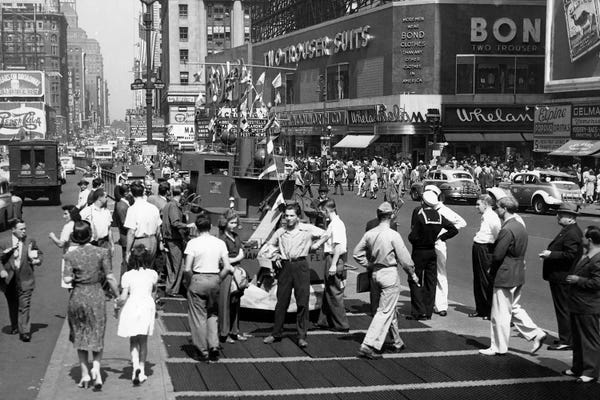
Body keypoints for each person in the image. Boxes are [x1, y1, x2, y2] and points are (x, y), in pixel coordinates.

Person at [479, 196, 547, 356]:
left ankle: (498, 346)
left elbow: (497, 255)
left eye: (498, 208)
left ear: (504, 208)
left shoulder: (507, 229)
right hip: (518, 271)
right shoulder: (520, 226)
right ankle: (536, 333)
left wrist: (490, 269)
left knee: (499, 313)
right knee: (514, 307)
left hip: (505, 273)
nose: (497, 211)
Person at [353, 202, 418, 359]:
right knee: (385, 311)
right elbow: (405, 260)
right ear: (391, 216)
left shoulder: (370, 233)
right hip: (389, 273)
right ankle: (368, 345)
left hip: (375, 273)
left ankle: (397, 341)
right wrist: (413, 274)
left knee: (389, 309)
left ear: (378, 214)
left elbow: (356, 253)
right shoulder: (393, 235)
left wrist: (368, 265)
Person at [63, 221, 120, 389]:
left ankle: (85, 374)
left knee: (80, 334)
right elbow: (110, 276)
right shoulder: (102, 252)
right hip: (96, 295)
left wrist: (76, 277)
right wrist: (117, 296)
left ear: (75, 236)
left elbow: (66, 279)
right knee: (97, 332)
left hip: (78, 296)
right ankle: (96, 369)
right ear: (90, 235)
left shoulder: (70, 255)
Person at [262, 203, 324, 348]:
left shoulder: (307, 229)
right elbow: (269, 247)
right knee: (281, 301)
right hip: (285, 267)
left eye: (291, 216)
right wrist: (276, 255)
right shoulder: (280, 232)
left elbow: (326, 233)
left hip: (301, 265)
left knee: (302, 301)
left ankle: (301, 336)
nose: (288, 218)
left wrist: (315, 245)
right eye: (286, 215)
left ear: (298, 217)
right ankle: (276, 333)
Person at [183, 214, 233, 362]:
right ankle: (214, 346)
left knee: (198, 317)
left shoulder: (192, 243)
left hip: (198, 278)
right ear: (211, 227)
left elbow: (187, 269)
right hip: (214, 279)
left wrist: (189, 282)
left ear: (197, 228)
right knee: (212, 314)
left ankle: (202, 351)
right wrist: (219, 279)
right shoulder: (219, 243)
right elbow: (227, 267)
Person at [539, 203, 583, 351]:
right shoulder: (568, 230)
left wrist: (551, 254)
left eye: (561, 214)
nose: (557, 216)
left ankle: (567, 340)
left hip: (563, 276)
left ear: (570, 217)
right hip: (560, 276)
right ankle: (566, 337)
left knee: (563, 308)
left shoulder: (572, 233)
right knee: (563, 308)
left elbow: (570, 254)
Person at [407, 191, 458, 320]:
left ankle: (419, 310)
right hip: (431, 250)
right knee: (431, 280)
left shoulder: (421, 216)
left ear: (423, 202)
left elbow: (413, 236)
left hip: (419, 251)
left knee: (415, 279)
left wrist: (415, 240)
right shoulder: (439, 216)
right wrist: (441, 237)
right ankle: (428, 310)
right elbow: (453, 229)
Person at [116, 244, 158, 385]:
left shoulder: (127, 275)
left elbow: (123, 297)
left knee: (133, 340)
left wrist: (117, 306)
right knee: (143, 341)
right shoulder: (152, 274)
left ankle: (134, 368)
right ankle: (142, 370)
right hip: (146, 306)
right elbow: (154, 292)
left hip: (132, 305)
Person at [563, 226, 600, 383]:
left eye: (583, 237)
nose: (581, 239)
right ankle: (577, 367)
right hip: (578, 303)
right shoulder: (587, 254)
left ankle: (591, 371)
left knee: (589, 339)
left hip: (588, 305)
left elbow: (597, 282)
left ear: (589, 240)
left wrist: (579, 280)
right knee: (577, 338)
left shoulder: (597, 258)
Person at [423, 185, 466, 317]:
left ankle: (441, 305)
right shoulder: (425, 210)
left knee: (440, 273)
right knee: (429, 273)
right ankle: (430, 302)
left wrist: (443, 235)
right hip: (427, 244)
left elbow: (461, 222)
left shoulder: (443, 210)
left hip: (438, 244)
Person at [0, 219, 43, 342]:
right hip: (9, 278)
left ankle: (24, 331)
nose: (24, 231)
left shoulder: (30, 241)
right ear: (13, 229)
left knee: (24, 305)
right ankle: (15, 326)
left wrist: (37, 260)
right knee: (13, 303)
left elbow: (39, 253)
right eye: (21, 229)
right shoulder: (3, 243)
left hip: (25, 277)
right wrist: (1, 270)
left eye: (25, 229)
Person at [311, 199, 350, 332]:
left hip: (334, 258)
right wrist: (317, 244)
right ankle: (324, 320)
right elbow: (327, 236)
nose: (322, 214)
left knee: (334, 292)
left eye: (322, 211)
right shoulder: (333, 224)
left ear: (327, 210)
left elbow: (338, 246)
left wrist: (333, 265)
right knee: (329, 289)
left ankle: (342, 324)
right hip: (331, 258)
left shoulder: (337, 225)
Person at [217, 210, 249, 343]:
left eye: (236, 222)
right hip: (226, 273)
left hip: (235, 271)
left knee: (235, 302)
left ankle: (234, 331)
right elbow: (220, 259)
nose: (234, 225)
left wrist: (234, 259)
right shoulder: (221, 239)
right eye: (231, 222)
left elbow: (241, 252)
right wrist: (237, 258)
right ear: (225, 222)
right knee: (225, 302)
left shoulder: (236, 236)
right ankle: (224, 333)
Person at [470, 194, 501, 320]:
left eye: (479, 204)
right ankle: (480, 309)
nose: (476, 207)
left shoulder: (492, 216)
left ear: (486, 204)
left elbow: (498, 233)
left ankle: (488, 310)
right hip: (479, 247)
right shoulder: (485, 216)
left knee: (485, 279)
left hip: (485, 248)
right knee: (477, 278)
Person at [161, 186, 193, 297]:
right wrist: (188, 225)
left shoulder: (168, 205)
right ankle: (173, 290)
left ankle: (169, 288)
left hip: (168, 239)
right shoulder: (174, 206)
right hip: (174, 240)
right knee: (178, 266)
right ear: (182, 194)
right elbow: (175, 222)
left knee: (171, 266)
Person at [124, 181, 162, 268]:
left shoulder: (132, 209)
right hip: (153, 240)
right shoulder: (153, 207)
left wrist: (127, 252)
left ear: (131, 193)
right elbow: (158, 228)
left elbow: (131, 232)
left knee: (138, 269)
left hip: (140, 242)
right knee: (149, 268)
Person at [49, 205, 81, 289]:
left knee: (70, 281)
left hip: (70, 254)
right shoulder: (81, 224)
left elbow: (61, 244)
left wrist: (53, 237)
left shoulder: (68, 226)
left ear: (72, 214)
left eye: (66, 214)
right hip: (81, 253)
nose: (64, 216)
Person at [80, 189, 114, 254]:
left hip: (105, 244)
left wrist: (112, 245)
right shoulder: (88, 210)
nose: (107, 199)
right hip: (92, 244)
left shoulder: (106, 212)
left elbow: (109, 229)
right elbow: (78, 225)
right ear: (99, 198)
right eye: (106, 197)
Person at [113, 184, 130, 278]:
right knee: (126, 260)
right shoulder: (122, 206)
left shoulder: (123, 203)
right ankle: (123, 281)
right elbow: (124, 223)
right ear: (126, 193)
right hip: (126, 237)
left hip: (125, 236)